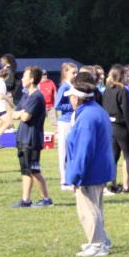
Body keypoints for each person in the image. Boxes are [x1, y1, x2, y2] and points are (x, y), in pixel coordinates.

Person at [64, 72, 116, 257]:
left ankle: (97, 244)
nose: (69, 99)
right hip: (100, 168)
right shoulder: (96, 110)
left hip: (90, 171)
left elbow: (83, 149)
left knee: (87, 210)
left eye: (71, 96)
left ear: (77, 98)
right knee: (96, 208)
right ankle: (101, 240)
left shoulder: (86, 117)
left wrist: (75, 175)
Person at [11, 66, 52, 207]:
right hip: (22, 138)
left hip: (32, 139)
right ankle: (26, 200)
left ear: (32, 79)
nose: (22, 79)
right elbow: (14, 114)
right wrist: (21, 112)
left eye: (24, 76)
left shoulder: (37, 96)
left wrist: (21, 113)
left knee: (34, 170)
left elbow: (25, 117)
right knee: (25, 170)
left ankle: (46, 199)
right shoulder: (26, 95)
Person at [102, 64, 129, 192]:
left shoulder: (106, 90)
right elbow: (127, 112)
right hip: (121, 126)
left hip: (110, 126)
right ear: (120, 76)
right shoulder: (123, 91)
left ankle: (111, 184)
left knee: (113, 156)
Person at [54, 62, 78, 190]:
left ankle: (70, 177)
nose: (76, 75)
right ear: (66, 73)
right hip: (65, 122)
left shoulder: (73, 86)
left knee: (72, 150)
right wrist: (73, 106)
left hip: (73, 121)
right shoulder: (64, 87)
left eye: (77, 72)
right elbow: (57, 105)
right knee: (63, 151)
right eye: (73, 72)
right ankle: (64, 181)